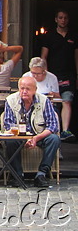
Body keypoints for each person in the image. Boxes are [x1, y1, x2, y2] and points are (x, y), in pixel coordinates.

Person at [2, 75, 61, 187]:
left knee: (54, 139)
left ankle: (41, 174)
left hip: (39, 136)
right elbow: (9, 125)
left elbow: (53, 126)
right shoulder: (10, 101)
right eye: (22, 88)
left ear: (35, 90)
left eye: (28, 89)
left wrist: (35, 138)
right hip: (19, 137)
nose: (24, 91)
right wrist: (24, 138)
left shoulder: (44, 101)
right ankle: (18, 175)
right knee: (10, 141)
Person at [40, 10, 78, 142]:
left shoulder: (73, 35)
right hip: (53, 75)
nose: (63, 20)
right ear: (56, 19)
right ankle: (54, 128)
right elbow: (43, 57)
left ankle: (65, 130)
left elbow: (76, 57)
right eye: (61, 18)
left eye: (65, 18)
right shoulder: (49, 36)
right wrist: (45, 74)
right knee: (54, 104)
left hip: (69, 74)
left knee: (67, 100)